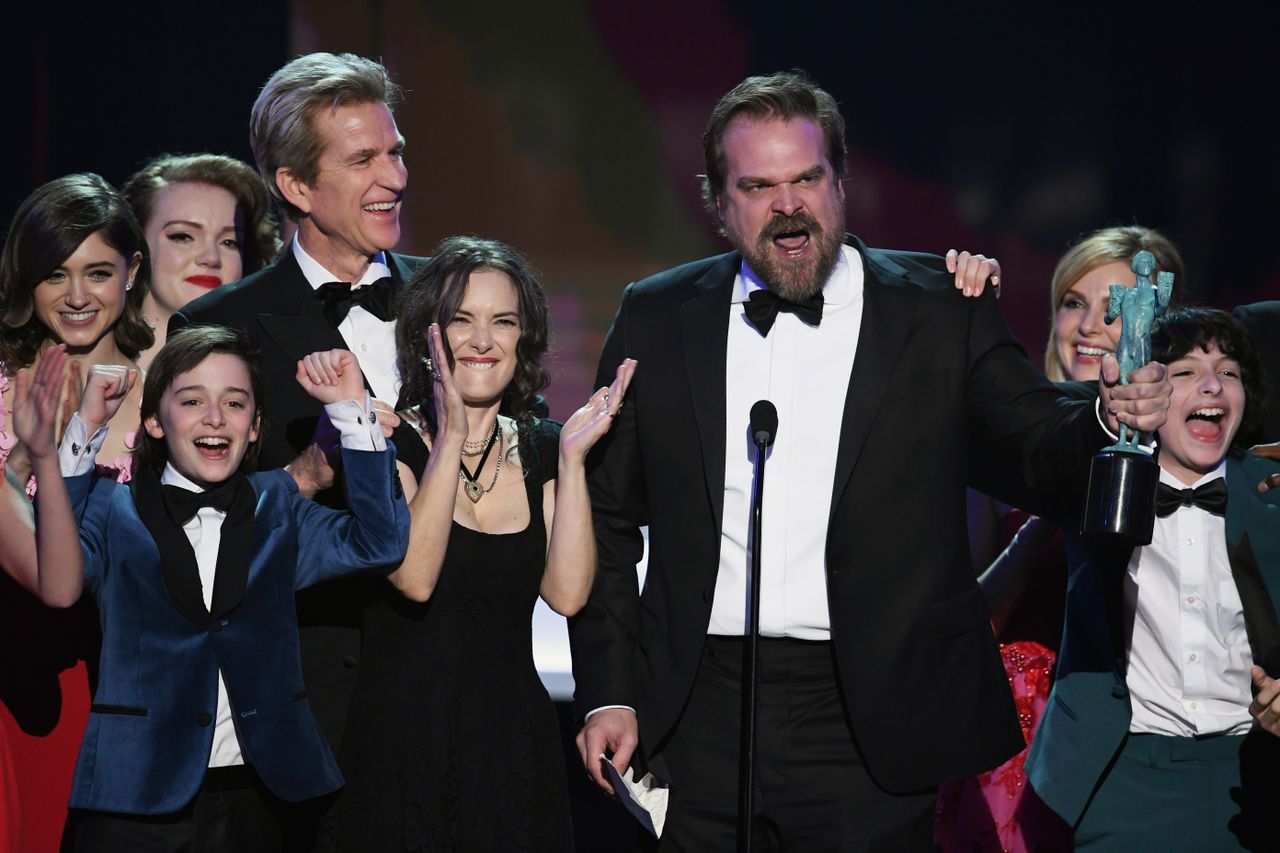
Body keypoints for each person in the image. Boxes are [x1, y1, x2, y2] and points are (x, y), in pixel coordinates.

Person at [569, 70, 1172, 850]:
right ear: (718, 204)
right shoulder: (654, 314)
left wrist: (1105, 415)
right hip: (699, 707)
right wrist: (607, 692)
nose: (788, 205)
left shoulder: (938, 309)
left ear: (842, 182)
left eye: (806, 178)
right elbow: (608, 522)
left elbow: (1034, 449)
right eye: (758, 185)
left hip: (870, 714)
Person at [4, 325, 409, 851]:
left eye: (235, 403)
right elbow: (59, 586)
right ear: (153, 420)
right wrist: (70, 440)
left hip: (263, 793)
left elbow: (379, 544)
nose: (215, 417)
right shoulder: (110, 507)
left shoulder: (278, 507)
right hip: (135, 793)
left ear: (255, 424)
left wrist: (353, 412)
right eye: (191, 400)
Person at [317, 235, 633, 851]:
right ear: (426, 335)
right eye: (461, 320)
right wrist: (450, 431)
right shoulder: (384, 439)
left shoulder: (543, 445)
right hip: (401, 743)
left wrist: (571, 463)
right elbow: (413, 577)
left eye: (503, 322)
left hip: (512, 745)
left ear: (525, 339)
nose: (482, 340)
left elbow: (567, 595)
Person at [171, 54, 423, 772]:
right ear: (296, 185)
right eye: (364, 159)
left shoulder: (456, 295)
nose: (396, 178)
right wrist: (309, 468)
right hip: (313, 702)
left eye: (396, 152)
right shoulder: (222, 324)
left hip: (451, 680)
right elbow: (198, 522)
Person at [936, 225, 1185, 853]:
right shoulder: (997, 452)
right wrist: (1050, 506)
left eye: (1116, 308)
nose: (1090, 326)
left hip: (1151, 728)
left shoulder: (1192, 455)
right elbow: (960, 625)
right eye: (1074, 303)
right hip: (1018, 732)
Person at [1026, 307, 1280, 851]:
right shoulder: (1094, 479)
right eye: (1185, 371)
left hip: (1258, 776)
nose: (1213, 383)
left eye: (1229, 372)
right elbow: (1026, 419)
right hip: (1123, 779)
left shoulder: (1273, 491)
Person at [0, 172, 153, 851]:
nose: (78, 296)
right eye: (55, 275)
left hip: (149, 694)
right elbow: (50, 579)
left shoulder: (178, 394)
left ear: (133, 272)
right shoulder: (5, 398)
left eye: (98, 272)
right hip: (31, 690)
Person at [123, 153, 282, 369]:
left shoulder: (272, 373)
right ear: (136, 249)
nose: (211, 258)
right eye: (183, 237)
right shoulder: (79, 372)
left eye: (229, 242)